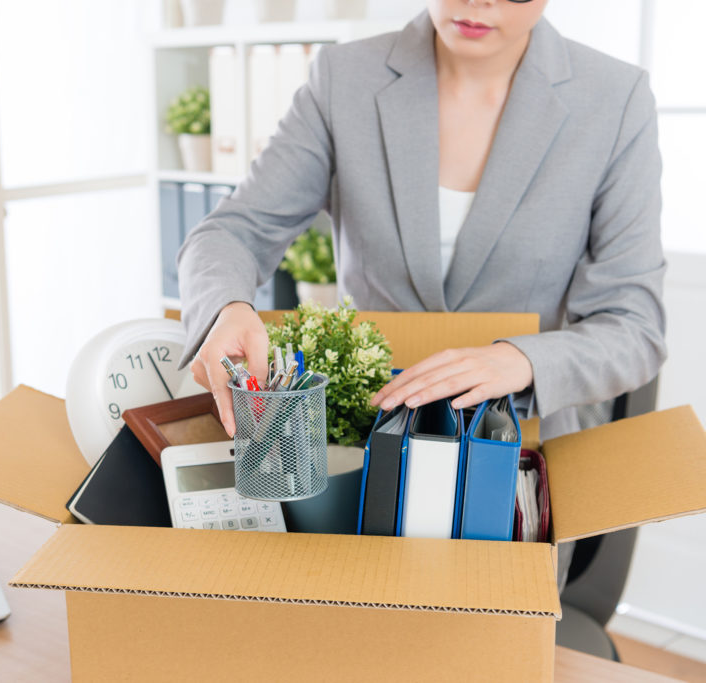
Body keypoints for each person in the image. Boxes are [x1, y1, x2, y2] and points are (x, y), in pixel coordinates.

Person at [175, 0, 666, 589]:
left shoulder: (614, 98)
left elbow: (634, 325)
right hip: (371, 451)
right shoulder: (345, 78)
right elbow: (233, 230)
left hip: (513, 459)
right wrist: (228, 306)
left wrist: (518, 359)